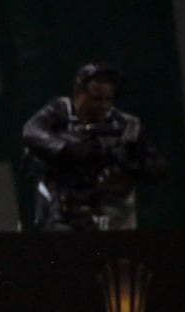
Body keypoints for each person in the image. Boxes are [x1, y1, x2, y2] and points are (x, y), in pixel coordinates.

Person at [21, 62, 165, 231]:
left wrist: (131, 162)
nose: (103, 106)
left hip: (113, 218)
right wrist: (69, 149)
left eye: (108, 99)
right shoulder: (60, 113)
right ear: (78, 93)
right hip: (63, 215)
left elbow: (157, 167)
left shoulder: (126, 125)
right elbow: (31, 131)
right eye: (95, 99)